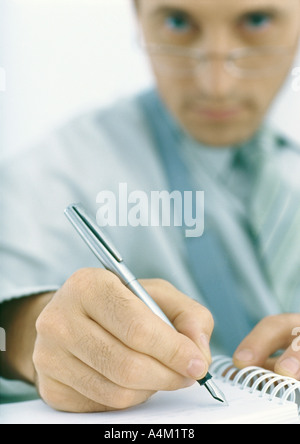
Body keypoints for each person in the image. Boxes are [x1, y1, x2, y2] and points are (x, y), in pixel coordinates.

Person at [0, 0, 299, 413]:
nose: (217, 85)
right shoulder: (45, 175)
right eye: (178, 23)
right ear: (138, 17)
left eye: (257, 21)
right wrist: (24, 335)